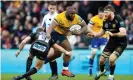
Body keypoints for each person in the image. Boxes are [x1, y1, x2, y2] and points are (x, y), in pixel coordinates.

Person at [46, 6, 90, 77]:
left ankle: (65, 70)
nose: (73, 15)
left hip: (62, 35)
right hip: (55, 34)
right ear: (67, 13)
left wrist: (80, 31)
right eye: (71, 14)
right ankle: (44, 61)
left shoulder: (77, 18)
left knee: (68, 50)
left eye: (74, 14)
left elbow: (85, 26)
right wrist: (48, 34)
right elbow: (50, 27)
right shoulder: (60, 17)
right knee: (57, 53)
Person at [88, 5, 127, 80]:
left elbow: (123, 33)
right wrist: (94, 35)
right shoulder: (105, 21)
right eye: (104, 12)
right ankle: (102, 71)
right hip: (111, 42)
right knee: (101, 60)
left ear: (111, 13)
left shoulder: (118, 19)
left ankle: (111, 76)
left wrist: (113, 34)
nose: (104, 14)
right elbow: (102, 33)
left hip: (121, 43)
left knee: (111, 59)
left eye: (106, 12)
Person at [25, 2, 59, 80]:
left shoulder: (58, 17)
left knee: (51, 57)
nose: (52, 10)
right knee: (31, 54)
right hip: (45, 39)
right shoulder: (46, 16)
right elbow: (42, 27)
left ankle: (54, 74)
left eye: (53, 8)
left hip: (54, 39)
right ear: (48, 8)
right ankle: (27, 74)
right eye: (51, 8)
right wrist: (39, 31)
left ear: (56, 8)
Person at [87, 7, 108, 76]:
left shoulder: (106, 18)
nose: (101, 16)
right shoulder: (94, 19)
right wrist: (93, 33)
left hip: (103, 38)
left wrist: (108, 36)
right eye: (100, 15)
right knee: (93, 53)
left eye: (102, 15)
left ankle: (102, 70)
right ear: (98, 13)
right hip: (95, 38)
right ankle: (90, 68)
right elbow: (88, 27)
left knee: (104, 54)